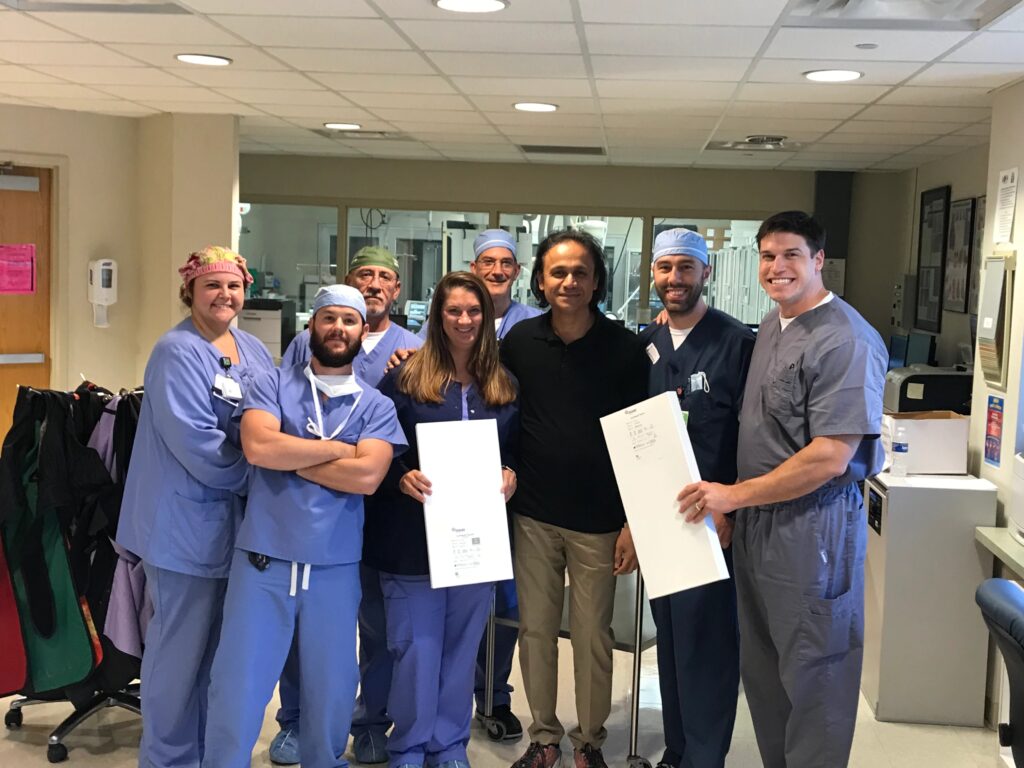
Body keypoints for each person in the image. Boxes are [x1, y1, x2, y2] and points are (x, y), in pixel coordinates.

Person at [677, 211, 886, 768]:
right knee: (766, 678)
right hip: (760, 529)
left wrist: (732, 497)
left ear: (818, 261)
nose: (777, 267)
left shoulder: (846, 340)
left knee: (816, 680)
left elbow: (830, 456)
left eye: (791, 255)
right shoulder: (774, 325)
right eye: (768, 256)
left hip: (813, 532)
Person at [201, 284, 407, 768]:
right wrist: (339, 449)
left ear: (363, 330)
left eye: (349, 320)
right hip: (263, 561)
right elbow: (258, 449)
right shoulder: (272, 384)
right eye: (328, 318)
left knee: (333, 688)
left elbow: (369, 475)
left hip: (334, 568)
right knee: (238, 684)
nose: (338, 328)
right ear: (311, 325)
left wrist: (289, 454)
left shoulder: (376, 406)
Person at [116, 246, 274, 768]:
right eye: (212, 286)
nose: (224, 295)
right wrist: (268, 468)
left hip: (233, 528)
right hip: (183, 528)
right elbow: (197, 444)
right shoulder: (176, 352)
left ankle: (210, 758)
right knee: (177, 659)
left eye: (232, 286)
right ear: (191, 292)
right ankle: (166, 759)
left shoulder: (250, 348)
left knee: (218, 659)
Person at [500, 229, 649, 768]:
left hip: (600, 521)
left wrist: (635, 521)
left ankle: (588, 743)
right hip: (533, 516)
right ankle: (544, 738)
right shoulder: (517, 344)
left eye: (580, 272)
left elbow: (641, 438)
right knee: (537, 630)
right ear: (540, 280)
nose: (568, 281)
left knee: (592, 636)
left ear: (596, 281)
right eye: (557, 272)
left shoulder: (627, 349)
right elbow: (499, 415)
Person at [272, 246, 422, 766]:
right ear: (348, 283)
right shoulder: (306, 342)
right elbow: (283, 421)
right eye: (366, 275)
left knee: (374, 626)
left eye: (385, 277)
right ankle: (294, 721)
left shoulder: (415, 349)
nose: (376, 283)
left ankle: (369, 720)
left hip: (383, 508)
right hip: (307, 513)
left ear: (397, 290)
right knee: (302, 627)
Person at [365, 271, 519, 768]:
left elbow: (517, 454)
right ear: (438, 316)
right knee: (415, 652)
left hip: (475, 544)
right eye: (454, 310)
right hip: (412, 545)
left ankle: (449, 746)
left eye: (474, 311)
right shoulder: (404, 379)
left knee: (460, 654)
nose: (465, 319)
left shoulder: (503, 385)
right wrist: (399, 476)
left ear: (487, 317)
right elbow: (376, 448)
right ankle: (408, 748)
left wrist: (512, 474)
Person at [639, 229, 754, 768]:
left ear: (705, 273)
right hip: (658, 520)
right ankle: (678, 749)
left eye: (686, 268)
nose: (675, 279)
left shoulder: (737, 342)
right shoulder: (649, 342)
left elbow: (751, 437)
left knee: (706, 644)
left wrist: (731, 506)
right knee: (670, 638)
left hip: (712, 520)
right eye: (666, 269)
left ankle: (705, 757)